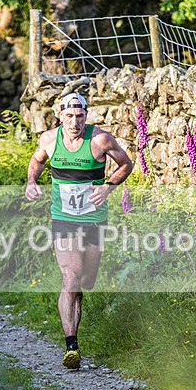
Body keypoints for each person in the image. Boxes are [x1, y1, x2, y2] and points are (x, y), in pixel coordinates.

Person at [25, 92, 134, 369]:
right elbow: (36, 161)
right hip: (63, 220)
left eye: (80, 116)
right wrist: (31, 182)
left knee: (87, 281)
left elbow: (126, 163)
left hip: (94, 221)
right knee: (70, 278)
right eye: (69, 116)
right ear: (60, 115)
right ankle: (71, 345)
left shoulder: (100, 140)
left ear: (86, 115)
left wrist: (107, 187)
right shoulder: (49, 140)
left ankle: (75, 305)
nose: (75, 122)